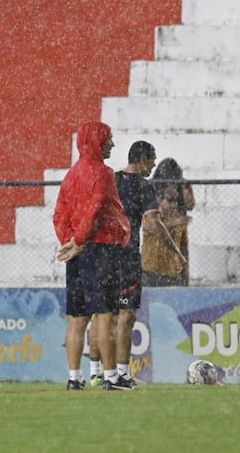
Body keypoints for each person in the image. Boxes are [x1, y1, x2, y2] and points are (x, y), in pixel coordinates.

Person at [53, 121, 131, 391]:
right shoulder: (104, 174)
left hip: (78, 253)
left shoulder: (71, 176)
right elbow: (96, 209)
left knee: (77, 318)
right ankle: (111, 378)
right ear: (98, 141)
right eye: (109, 138)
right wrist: (81, 240)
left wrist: (70, 242)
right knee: (105, 315)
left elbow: (60, 214)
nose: (112, 143)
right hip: (99, 250)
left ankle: (74, 378)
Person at [87, 141, 158, 389]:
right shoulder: (144, 187)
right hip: (126, 258)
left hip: (102, 254)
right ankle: (122, 374)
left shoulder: (110, 180)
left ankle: (96, 373)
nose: (154, 165)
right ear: (143, 158)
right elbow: (150, 225)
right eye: (152, 160)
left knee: (101, 315)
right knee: (126, 317)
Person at [151, 158, 194, 285]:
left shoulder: (183, 185)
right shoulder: (156, 185)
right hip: (162, 223)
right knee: (160, 255)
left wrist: (182, 187)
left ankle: (183, 284)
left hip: (179, 227)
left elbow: (190, 205)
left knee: (182, 258)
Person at [141, 186, 190, 286]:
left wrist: (185, 273)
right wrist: (174, 223)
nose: (173, 205)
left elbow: (184, 248)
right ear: (160, 200)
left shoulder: (180, 219)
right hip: (150, 270)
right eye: (169, 200)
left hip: (171, 272)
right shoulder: (151, 216)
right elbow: (153, 228)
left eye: (175, 201)